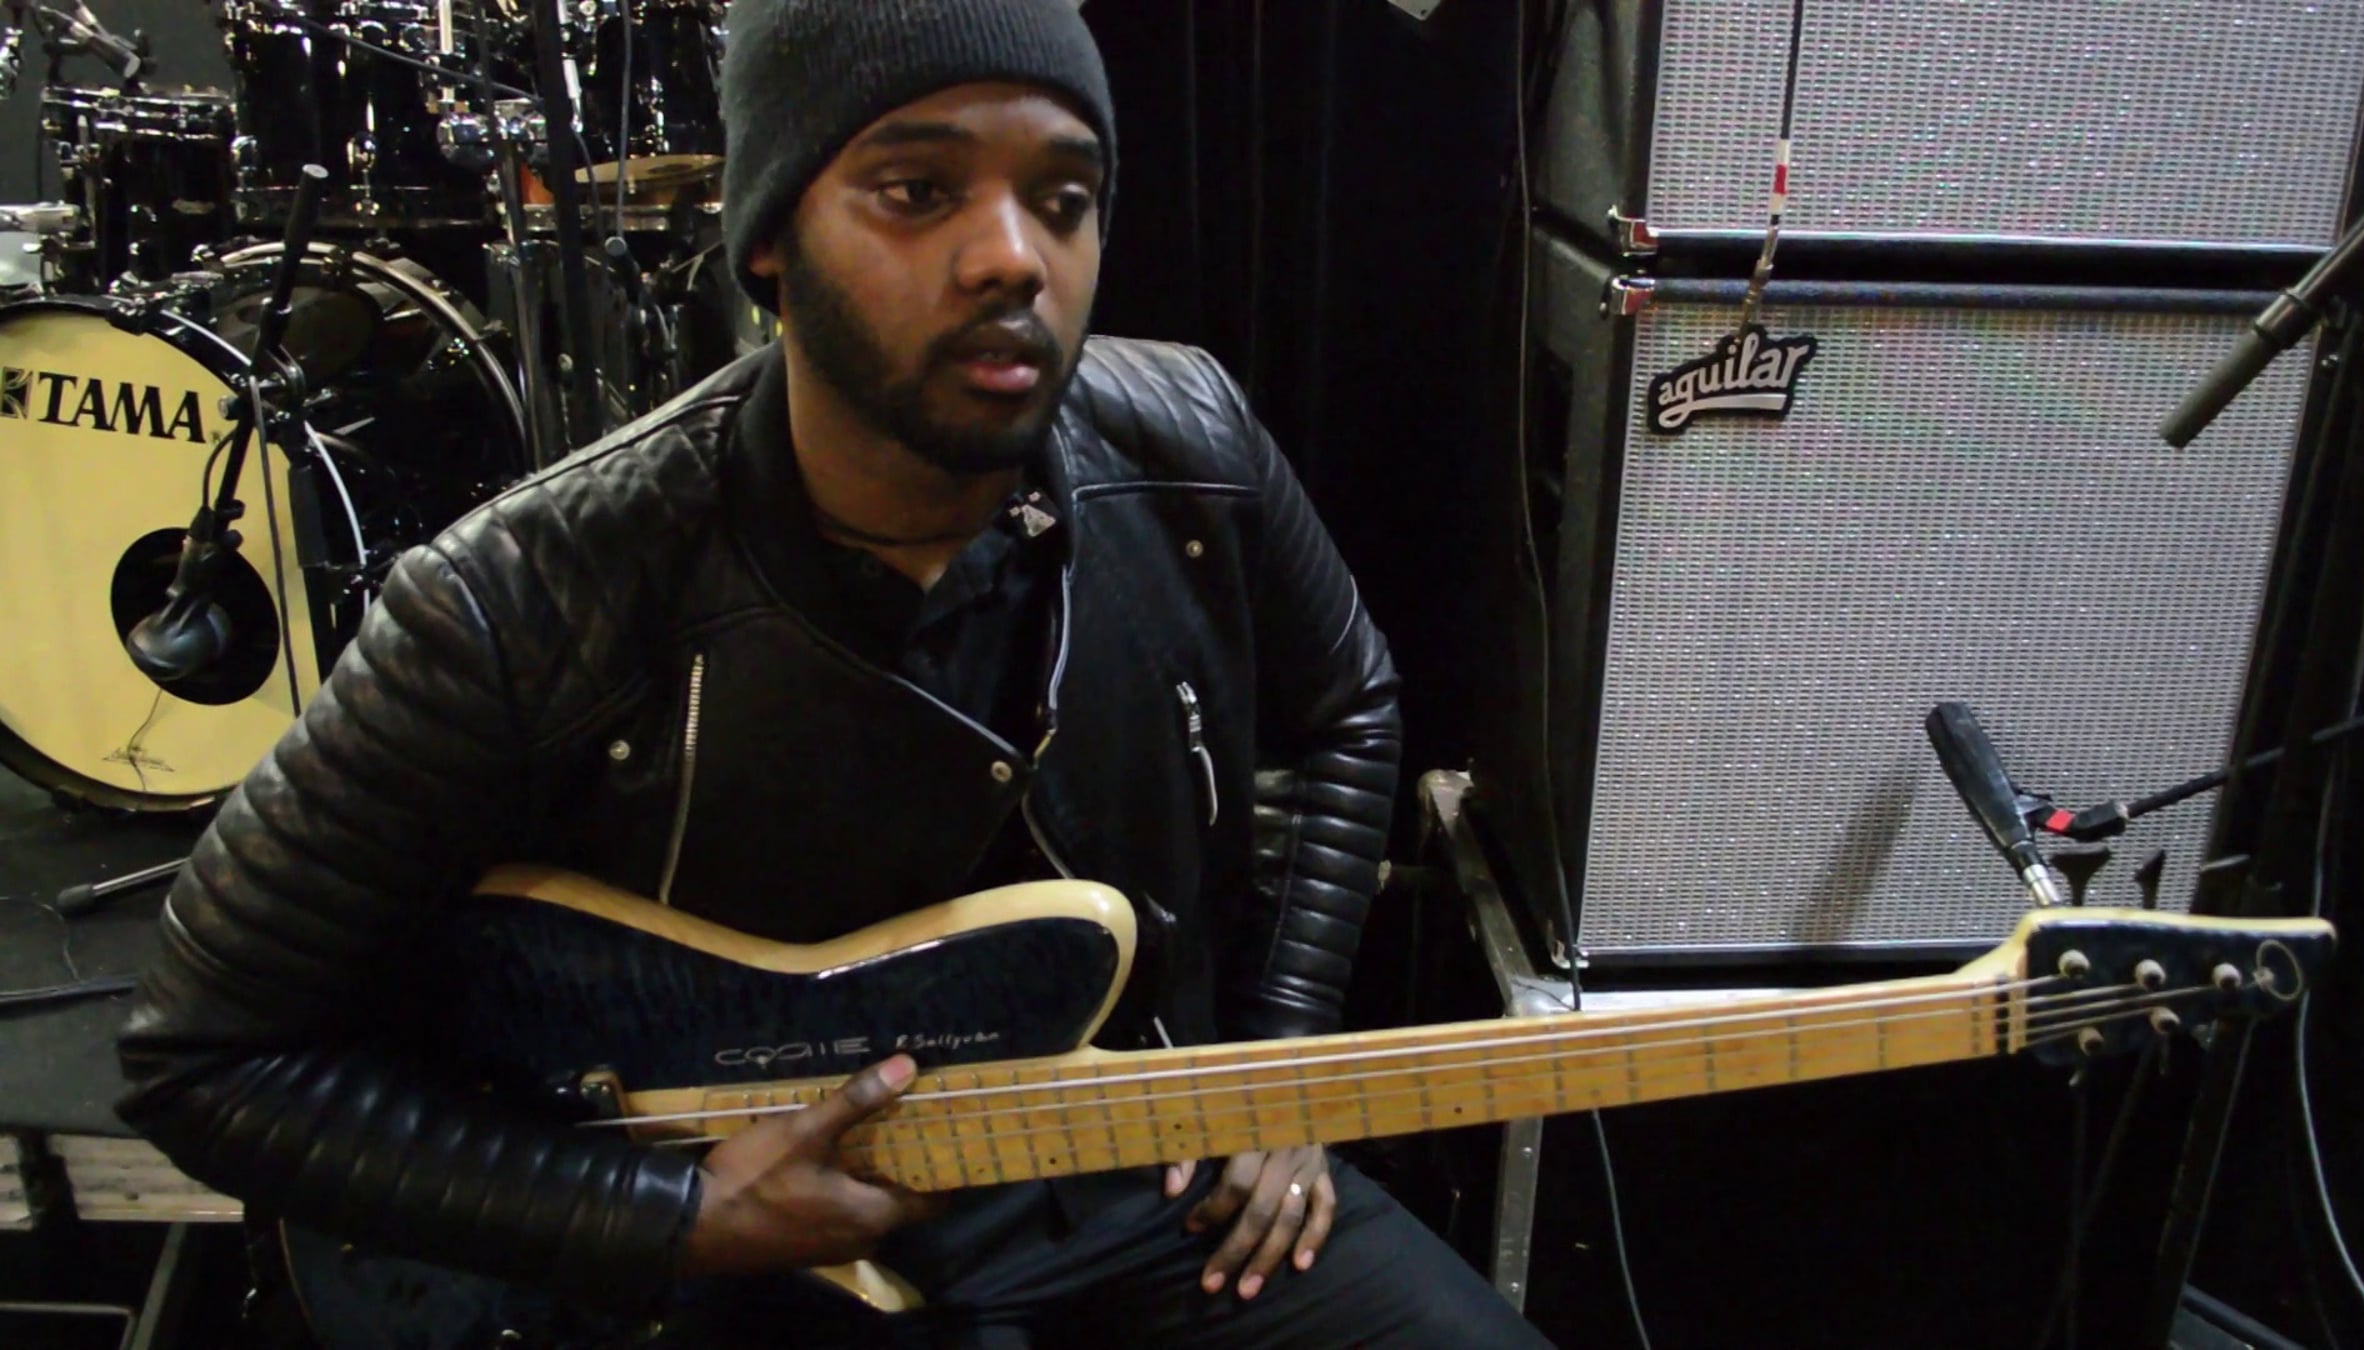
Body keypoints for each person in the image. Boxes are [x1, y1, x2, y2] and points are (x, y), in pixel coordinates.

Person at [116, 2, 1553, 1346]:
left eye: (1064, 197)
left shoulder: (1191, 440)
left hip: (1138, 1175)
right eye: (918, 191)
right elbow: (203, 1052)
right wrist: (666, 1215)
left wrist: (1277, 1076)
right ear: (768, 242)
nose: (1014, 257)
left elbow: (1352, 703)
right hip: (734, 1259)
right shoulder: (521, 597)